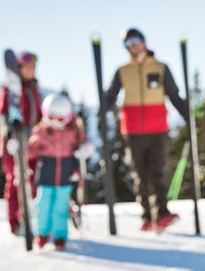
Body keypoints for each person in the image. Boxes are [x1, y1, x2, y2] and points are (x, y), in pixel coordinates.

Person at [99, 28, 190, 231]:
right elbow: (111, 96)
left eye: (136, 40)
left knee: (156, 172)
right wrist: (101, 115)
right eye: (128, 42)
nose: (133, 45)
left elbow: (174, 96)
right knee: (140, 175)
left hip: (158, 128)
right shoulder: (122, 71)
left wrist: (187, 115)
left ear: (143, 41)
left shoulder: (160, 67)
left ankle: (163, 214)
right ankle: (148, 216)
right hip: (132, 130)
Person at [26, 92, 89, 250]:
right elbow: (30, 151)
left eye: (60, 119)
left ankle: (60, 235)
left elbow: (84, 145)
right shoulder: (41, 131)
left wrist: (84, 150)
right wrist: (20, 148)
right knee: (43, 205)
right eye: (51, 117)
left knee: (61, 207)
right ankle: (42, 233)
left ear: (67, 117)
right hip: (46, 173)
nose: (55, 122)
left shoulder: (73, 131)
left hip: (65, 175)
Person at [0, 51, 41, 235]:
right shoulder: (9, 90)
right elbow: (3, 115)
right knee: (15, 182)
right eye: (26, 66)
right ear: (18, 69)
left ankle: (30, 220)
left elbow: (39, 116)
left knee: (33, 182)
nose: (30, 70)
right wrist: (10, 130)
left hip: (32, 144)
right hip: (13, 145)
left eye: (33, 67)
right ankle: (14, 222)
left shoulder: (34, 90)